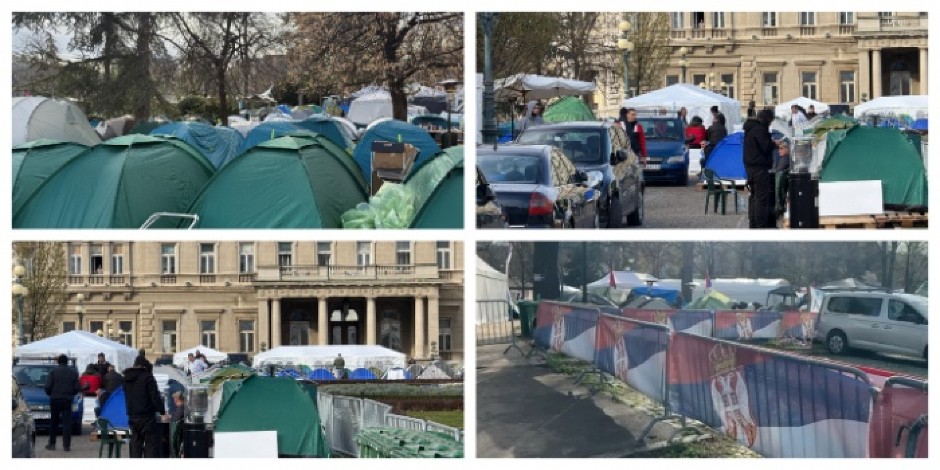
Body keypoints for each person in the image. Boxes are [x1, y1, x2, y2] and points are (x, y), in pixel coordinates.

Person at [124, 355, 166, 458]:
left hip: (132, 415)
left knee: (135, 443)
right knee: (151, 445)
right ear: (144, 366)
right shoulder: (148, 377)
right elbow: (155, 397)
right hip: (147, 416)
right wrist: (162, 411)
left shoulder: (126, 378)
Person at [744, 109, 777, 228]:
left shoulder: (751, 129)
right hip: (759, 168)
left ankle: (753, 225)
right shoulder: (760, 130)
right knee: (761, 199)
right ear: (767, 119)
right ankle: (761, 227)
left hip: (751, 167)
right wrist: (775, 144)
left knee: (754, 197)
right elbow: (765, 146)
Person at [44, 354, 80, 451]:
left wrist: (50, 394)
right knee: (67, 424)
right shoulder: (73, 373)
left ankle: (52, 444)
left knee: (53, 423)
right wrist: (71, 393)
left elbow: (47, 387)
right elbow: (77, 388)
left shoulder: (53, 371)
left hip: (55, 399)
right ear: (67, 361)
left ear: (58, 361)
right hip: (67, 400)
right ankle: (66, 446)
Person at [772, 138, 791, 219]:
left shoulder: (785, 160)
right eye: (779, 149)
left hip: (780, 186)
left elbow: (777, 173)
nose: (779, 150)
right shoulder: (785, 159)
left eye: (782, 148)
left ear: (787, 149)